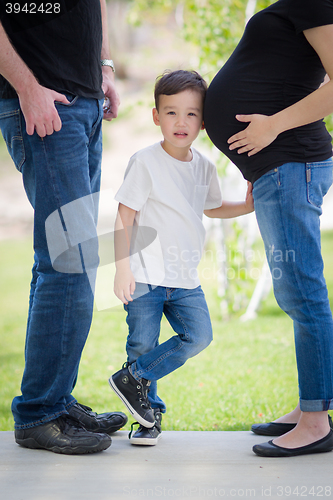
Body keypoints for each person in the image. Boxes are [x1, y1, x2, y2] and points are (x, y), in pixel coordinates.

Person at [204, 0, 333, 457]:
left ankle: (316, 421)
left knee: (302, 291)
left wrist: (272, 127)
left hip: (290, 161)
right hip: (279, 168)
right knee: (297, 292)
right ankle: (310, 407)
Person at [0, 0, 128, 454]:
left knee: (62, 262)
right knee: (69, 262)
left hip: (83, 105)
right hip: (43, 103)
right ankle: (39, 413)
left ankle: (52, 400)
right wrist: (26, 86)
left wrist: (104, 69)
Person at [109, 70, 254, 445]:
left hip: (184, 279)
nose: (181, 122)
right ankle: (148, 417)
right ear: (156, 116)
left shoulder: (204, 167)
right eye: (171, 112)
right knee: (143, 344)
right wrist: (122, 268)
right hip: (144, 273)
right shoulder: (145, 162)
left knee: (199, 336)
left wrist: (247, 206)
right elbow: (125, 215)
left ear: (203, 121)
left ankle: (132, 377)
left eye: (191, 113)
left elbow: (213, 207)